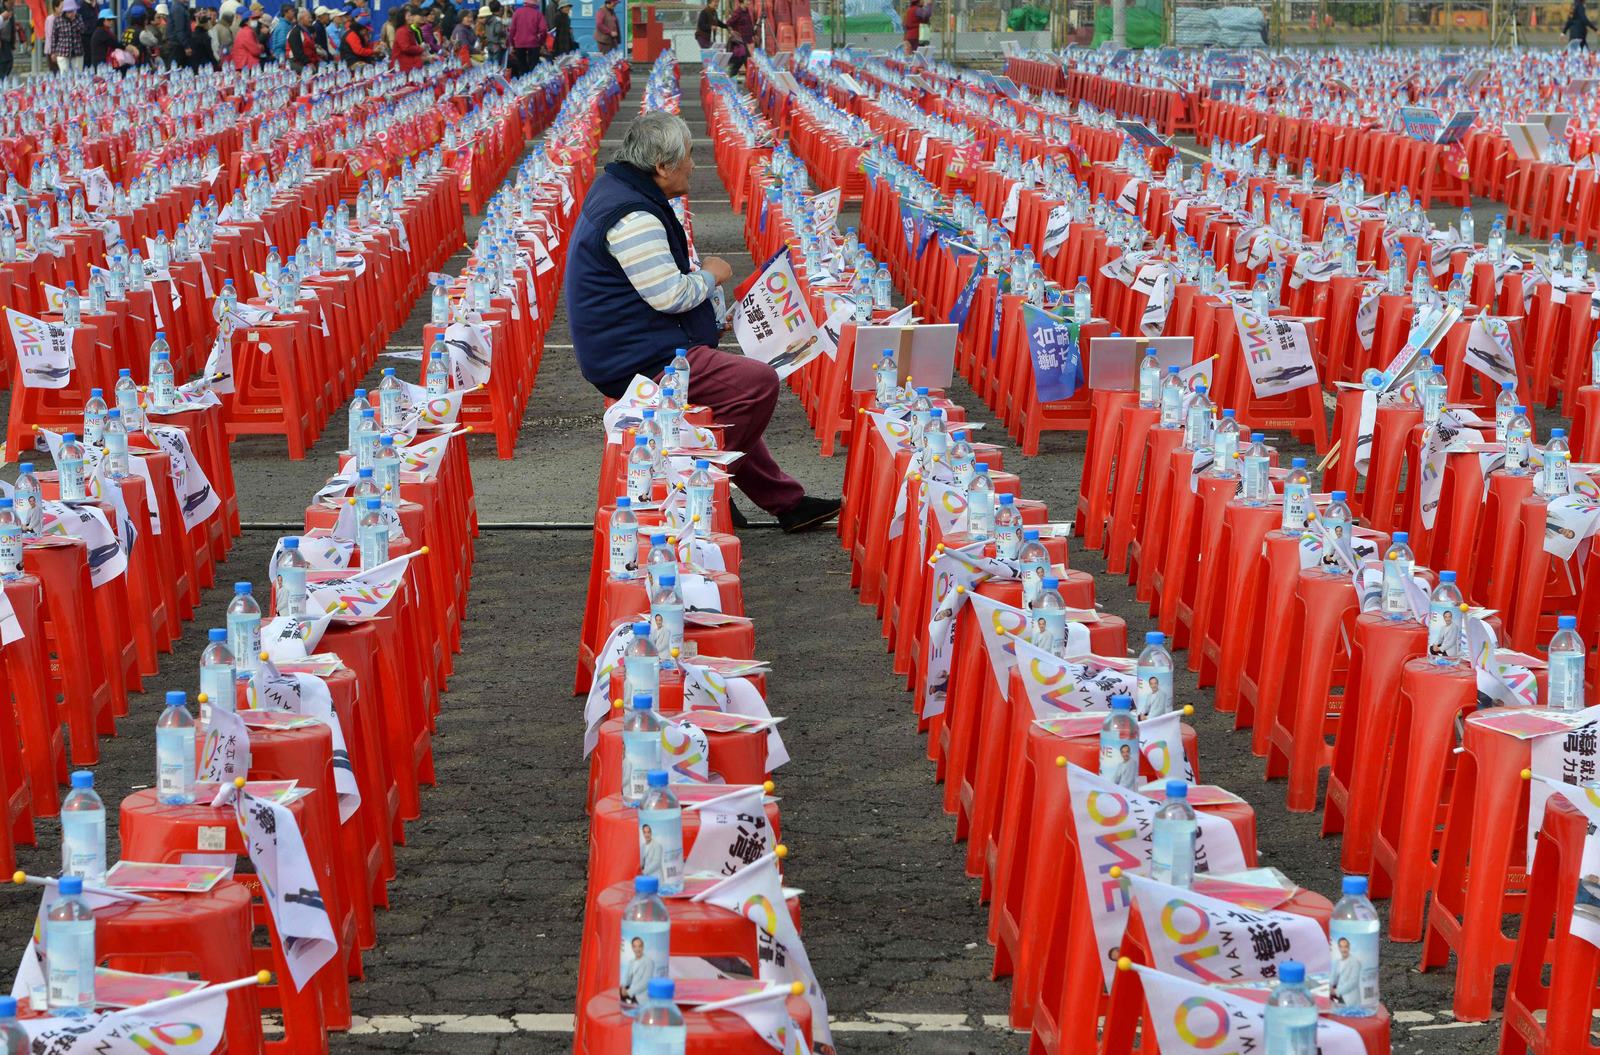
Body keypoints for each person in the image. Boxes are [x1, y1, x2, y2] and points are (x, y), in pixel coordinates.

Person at [566, 112, 841, 532]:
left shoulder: (623, 191)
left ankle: (787, 503)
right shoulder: (632, 216)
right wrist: (713, 273)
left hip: (637, 340)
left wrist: (713, 315)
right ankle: (698, 483)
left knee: (725, 403)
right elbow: (670, 295)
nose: (695, 166)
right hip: (636, 356)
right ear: (661, 166)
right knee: (756, 384)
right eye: (689, 157)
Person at [506, 0, 542, 73]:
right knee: (533, 67)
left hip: (519, 44)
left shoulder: (517, 13)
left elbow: (512, 30)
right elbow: (543, 29)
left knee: (522, 66)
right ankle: (533, 82)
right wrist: (541, 42)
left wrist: (512, 43)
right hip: (534, 43)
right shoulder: (538, 14)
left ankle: (522, 82)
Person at [618, 937, 655, 1006]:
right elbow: (627, 978)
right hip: (630, 994)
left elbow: (645, 983)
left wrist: (628, 992)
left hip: (640, 997)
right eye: (635, 946)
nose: (637, 949)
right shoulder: (631, 962)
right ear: (632, 948)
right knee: (619, 992)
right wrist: (623, 987)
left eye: (640, 946)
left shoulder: (648, 962)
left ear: (643, 947)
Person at [50, 0, 85, 69]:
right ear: (64, 11)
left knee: (78, 74)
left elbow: (82, 30)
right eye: (68, 11)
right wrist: (53, 52)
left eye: (72, 11)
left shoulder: (78, 17)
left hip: (77, 50)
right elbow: (54, 37)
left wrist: (74, 21)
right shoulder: (58, 20)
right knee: (64, 74)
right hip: (62, 51)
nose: (71, 13)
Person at [1330, 937, 1363, 1007]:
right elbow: (1333, 978)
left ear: (1349, 948)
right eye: (1341, 947)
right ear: (1339, 948)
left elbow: (1353, 982)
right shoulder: (1337, 962)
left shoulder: (1355, 962)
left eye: (1346, 947)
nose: (1343, 949)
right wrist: (1329, 987)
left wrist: (1335, 991)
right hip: (1339, 998)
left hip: (1350, 999)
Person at [725, 0, 752, 76]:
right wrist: (732, 32)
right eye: (747, 1)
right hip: (739, 41)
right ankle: (730, 76)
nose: (749, 2)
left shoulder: (746, 11)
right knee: (745, 60)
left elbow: (749, 23)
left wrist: (753, 34)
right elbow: (728, 23)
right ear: (742, 2)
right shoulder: (738, 12)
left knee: (744, 60)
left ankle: (731, 76)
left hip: (745, 40)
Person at [162, 0, 191, 64]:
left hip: (178, 44)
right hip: (177, 46)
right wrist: (186, 46)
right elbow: (180, 30)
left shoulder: (180, 7)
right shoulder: (178, 9)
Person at [0, 0, 17, 79]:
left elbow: (12, 27)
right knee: (4, 63)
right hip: (2, 41)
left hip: (8, 41)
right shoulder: (1, 9)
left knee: (9, 63)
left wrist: (13, 42)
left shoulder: (11, 10)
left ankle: (3, 82)